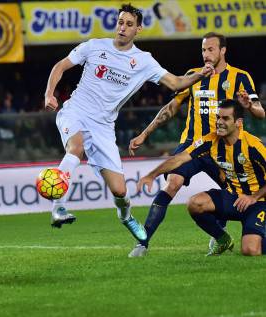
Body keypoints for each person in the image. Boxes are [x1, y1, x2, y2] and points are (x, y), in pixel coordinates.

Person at [43, 3, 214, 241]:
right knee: (76, 146)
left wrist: (199, 75)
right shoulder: (94, 46)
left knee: (120, 190)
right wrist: (49, 93)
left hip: (103, 127)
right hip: (76, 112)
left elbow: (175, 83)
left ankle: (126, 216)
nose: (123, 28)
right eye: (120, 22)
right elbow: (60, 66)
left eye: (129, 24)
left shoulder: (143, 61)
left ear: (138, 30)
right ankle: (58, 207)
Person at [128, 32, 264, 257]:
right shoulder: (194, 75)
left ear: (223, 51)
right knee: (172, 182)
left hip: (223, 149)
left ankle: (228, 233)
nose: (206, 54)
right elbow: (170, 108)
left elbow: (260, 112)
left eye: (211, 49)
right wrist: (145, 134)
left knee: (232, 194)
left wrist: (250, 106)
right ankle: (143, 242)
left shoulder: (240, 77)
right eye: (203, 50)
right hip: (193, 144)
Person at [138, 99, 266, 256]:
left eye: (225, 118)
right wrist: (152, 175)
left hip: (258, 202)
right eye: (218, 117)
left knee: (250, 250)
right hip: (233, 198)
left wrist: (254, 197)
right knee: (195, 203)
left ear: (238, 122)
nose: (219, 122)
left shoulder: (253, 145)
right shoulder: (210, 141)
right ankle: (222, 238)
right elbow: (179, 159)